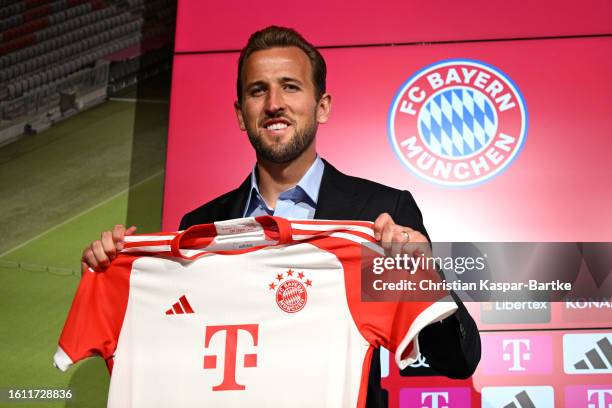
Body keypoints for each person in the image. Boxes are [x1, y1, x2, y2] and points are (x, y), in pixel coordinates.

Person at [82, 26, 480, 407]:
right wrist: (114, 274)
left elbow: (456, 361)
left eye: (290, 86)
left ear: (321, 106)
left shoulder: (377, 216)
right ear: (241, 114)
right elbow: (172, 358)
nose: (274, 103)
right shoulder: (199, 225)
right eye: (259, 91)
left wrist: (423, 277)